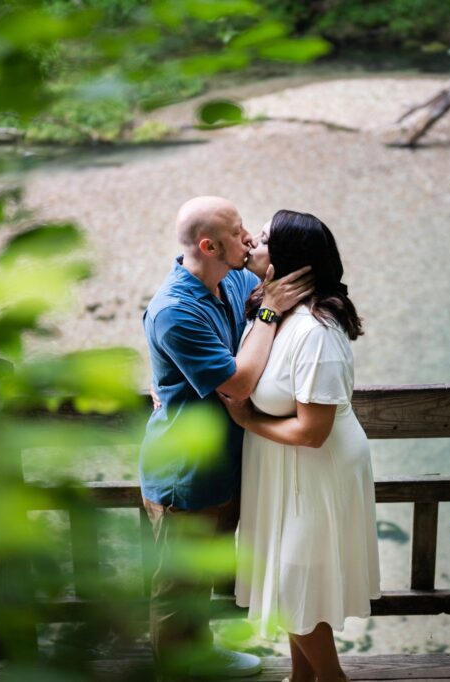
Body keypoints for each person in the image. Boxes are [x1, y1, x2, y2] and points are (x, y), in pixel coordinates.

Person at [140, 196, 313, 678]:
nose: (250, 240)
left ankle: (203, 654)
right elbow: (237, 383)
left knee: (206, 577)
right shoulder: (175, 310)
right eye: (239, 233)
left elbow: (273, 273)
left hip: (228, 460)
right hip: (185, 471)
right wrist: (269, 314)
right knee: (178, 587)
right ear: (209, 244)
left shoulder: (232, 280)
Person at [221, 210, 380, 682]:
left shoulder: (316, 332)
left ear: (288, 260)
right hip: (284, 468)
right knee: (299, 586)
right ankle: (300, 679)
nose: (251, 242)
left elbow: (314, 432)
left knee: (296, 585)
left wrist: (247, 420)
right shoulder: (274, 311)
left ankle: (332, 679)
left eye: (264, 239)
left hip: (315, 469)